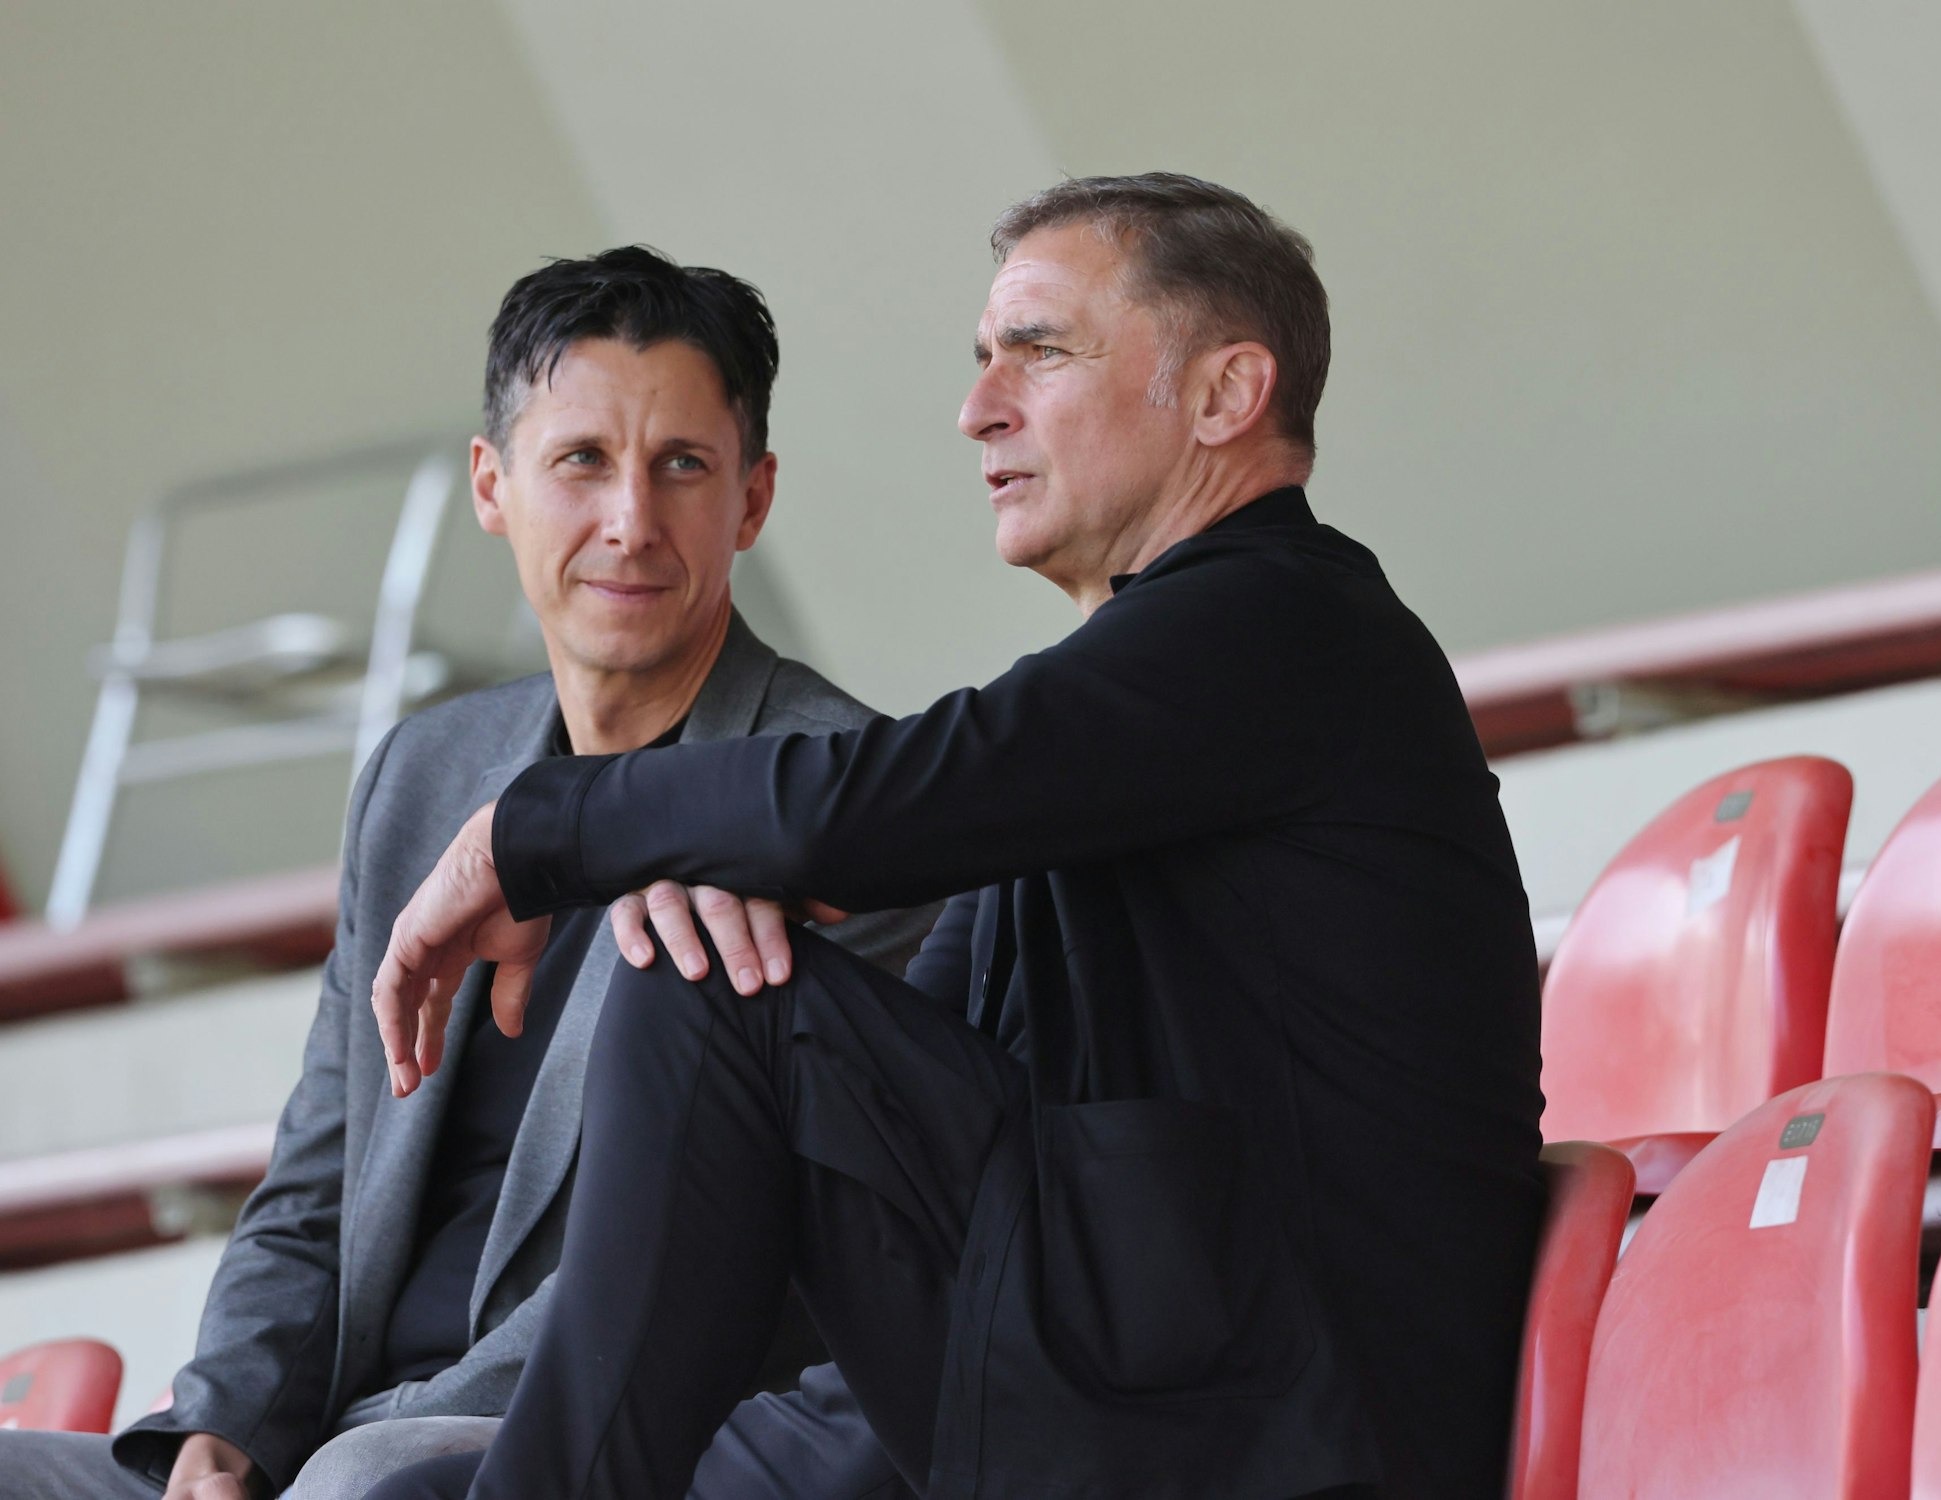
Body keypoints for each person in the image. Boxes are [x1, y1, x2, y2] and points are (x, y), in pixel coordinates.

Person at [366, 174, 1546, 1500]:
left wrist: (532, 833)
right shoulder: (1134, 712)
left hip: (1273, 1427)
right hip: (1099, 1365)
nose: (978, 409)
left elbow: (871, 806)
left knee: (697, 989)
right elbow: (867, 1098)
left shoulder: (1287, 627)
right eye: (981, 361)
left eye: (1036, 352)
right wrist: (722, 892)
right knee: (414, 1492)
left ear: (1225, 395)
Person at [0, 247, 936, 1500]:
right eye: (580, 463)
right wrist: (220, 1431)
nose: (630, 523)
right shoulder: (424, 774)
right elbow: (316, 1178)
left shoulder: (831, 801)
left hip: (588, 1444)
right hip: (327, 1436)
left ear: (752, 500)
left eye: (683, 467)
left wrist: (345, 1454)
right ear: (493, 485)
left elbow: (701, 1279)